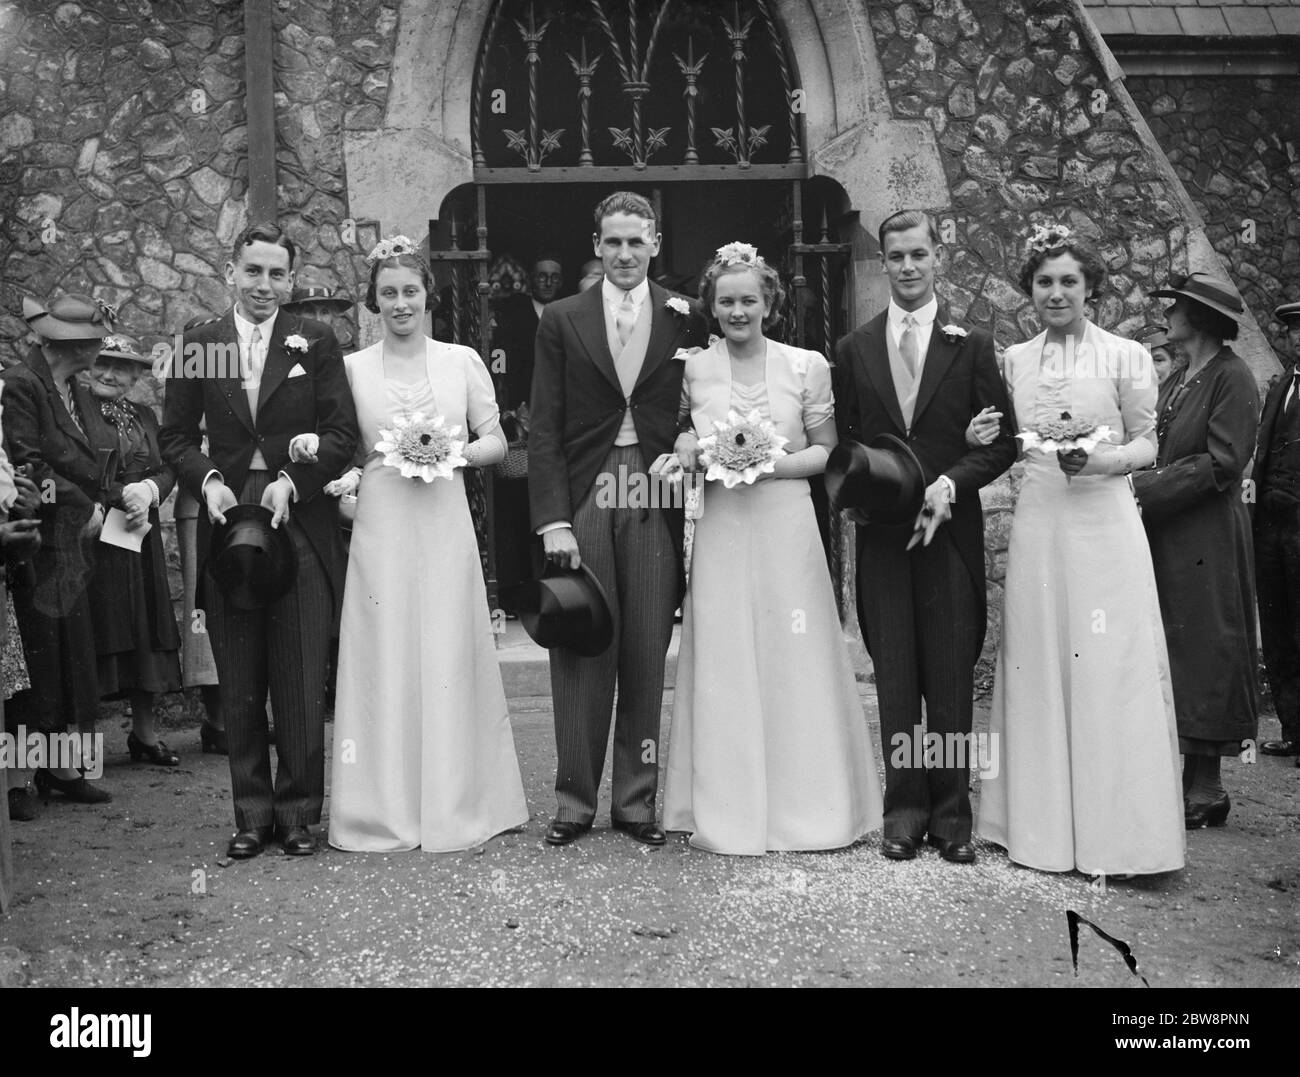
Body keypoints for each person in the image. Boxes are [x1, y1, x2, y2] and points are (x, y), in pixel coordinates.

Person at [659, 242, 883, 854]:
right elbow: (683, 427)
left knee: (795, 650)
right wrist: (688, 444)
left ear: (769, 303)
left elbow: (825, 451)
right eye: (726, 301)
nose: (738, 311)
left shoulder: (806, 364)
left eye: (749, 300)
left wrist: (766, 465)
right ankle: (726, 806)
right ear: (712, 306)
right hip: (724, 528)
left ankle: (810, 806)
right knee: (727, 651)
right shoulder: (695, 367)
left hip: (785, 521)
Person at [977, 225, 1185, 877]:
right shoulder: (1014, 360)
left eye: (1069, 280)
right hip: (1041, 525)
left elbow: (1151, 443)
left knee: (1106, 663)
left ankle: (1121, 834)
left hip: (1104, 524)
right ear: (1029, 290)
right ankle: (1037, 831)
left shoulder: (1125, 357)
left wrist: (1104, 461)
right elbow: (1005, 442)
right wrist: (979, 430)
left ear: (1091, 287)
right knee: (1040, 659)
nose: (1056, 292)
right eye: (1044, 281)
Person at [160, 222, 359, 859]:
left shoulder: (315, 342)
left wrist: (293, 481)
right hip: (227, 523)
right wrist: (210, 481)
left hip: (294, 520)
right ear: (231, 273)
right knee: (240, 673)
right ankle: (251, 814)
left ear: (291, 280)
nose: (264, 286)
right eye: (253, 272)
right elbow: (175, 438)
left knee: (300, 670)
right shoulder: (201, 342)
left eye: (277, 274)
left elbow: (341, 435)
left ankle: (299, 813)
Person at [325, 237, 528, 852]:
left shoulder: (461, 360)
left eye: (410, 290)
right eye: (388, 292)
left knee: (446, 647)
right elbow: (352, 451)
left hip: (444, 516)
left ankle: (456, 800)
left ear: (427, 296)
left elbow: (498, 441)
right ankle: (381, 807)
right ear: (374, 301)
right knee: (383, 647)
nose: (400, 302)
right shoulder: (354, 368)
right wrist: (348, 478)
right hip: (382, 522)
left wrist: (456, 453)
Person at [833, 210, 1015, 864]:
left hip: (950, 539)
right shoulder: (854, 349)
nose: (908, 267)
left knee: (950, 680)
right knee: (897, 679)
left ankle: (952, 815)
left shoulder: (972, 345)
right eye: (896, 256)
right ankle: (904, 812)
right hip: (884, 539)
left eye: (919, 254)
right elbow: (843, 448)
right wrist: (860, 491)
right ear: (882, 262)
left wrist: (952, 481)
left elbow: (1004, 445)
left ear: (939, 256)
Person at [529, 190, 708, 846]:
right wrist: (553, 520)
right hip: (588, 485)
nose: (625, 253)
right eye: (613, 242)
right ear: (597, 244)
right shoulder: (563, 318)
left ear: (656, 243)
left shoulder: (686, 314)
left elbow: (709, 394)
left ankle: (636, 802)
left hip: (656, 489)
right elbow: (544, 425)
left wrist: (694, 436)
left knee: (644, 649)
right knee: (582, 642)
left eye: (637, 241)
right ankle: (574, 800)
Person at [1133, 275, 1259, 827]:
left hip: (1206, 532)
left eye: (1177, 308)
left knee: (1208, 645)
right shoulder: (1183, 376)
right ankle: (1184, 782)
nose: (1169, 315)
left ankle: (1206, 788)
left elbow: (1224, 461)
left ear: (1201, 319)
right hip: (1171, 531)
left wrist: (1146, 489)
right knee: (1177, 647)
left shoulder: (1233, 377)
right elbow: (1158, 442)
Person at [3, 293, 122, 808]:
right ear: (68, 343)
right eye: (95, 337)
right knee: (34, 661)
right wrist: (81, 504)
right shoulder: (21, 385)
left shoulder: (73, 386)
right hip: (34, 537)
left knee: (68, 656)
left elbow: (93, 459)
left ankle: (60, 767)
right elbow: (26, 466)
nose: (102, 344)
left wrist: (112, 499)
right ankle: (17, 779)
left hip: (71, 543)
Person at [86, 334, 183, 767]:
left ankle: (144, 737)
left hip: (138, 539)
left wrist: (149, 490)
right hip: (93, 540)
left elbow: (167, 468)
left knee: (144, 631)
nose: (110, 374)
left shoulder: (144, 414)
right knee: (95, 633)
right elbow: (72, 465)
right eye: (103, 364)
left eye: (121, 368)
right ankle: (81, 752)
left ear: (136, 375)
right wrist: (116, 493)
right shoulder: (76, 409)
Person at [1249, 300, 1300, 767]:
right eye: (1294, 331)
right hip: (1271, 522)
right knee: (1279, 625)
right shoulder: (1282, 386)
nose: (1298, 338)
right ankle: (1291, 727)